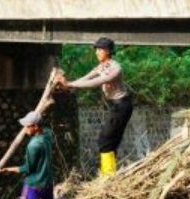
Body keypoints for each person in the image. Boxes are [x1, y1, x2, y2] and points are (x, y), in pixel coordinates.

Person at [56, 37, 133, 176]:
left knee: (105, 140)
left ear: (108, 51)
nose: (97, 52)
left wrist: (70, 84)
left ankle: (108, 175)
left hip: (122, 105)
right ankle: (110, 174)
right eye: (96, 49)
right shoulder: (102, 66)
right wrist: (69, 85)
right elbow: (87, 77)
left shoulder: (115, 68)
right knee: (111, 140)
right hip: (116, 105)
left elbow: (97, 82)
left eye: (100, 49)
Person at [0, 111, 54, 199]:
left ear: (35, 126)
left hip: (34, 184)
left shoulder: (33, 145)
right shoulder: (48, 135)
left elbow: (27, 169)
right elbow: (46, 129)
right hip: (48, 182)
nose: (25, 129)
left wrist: (10, 169)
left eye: (27, 126)